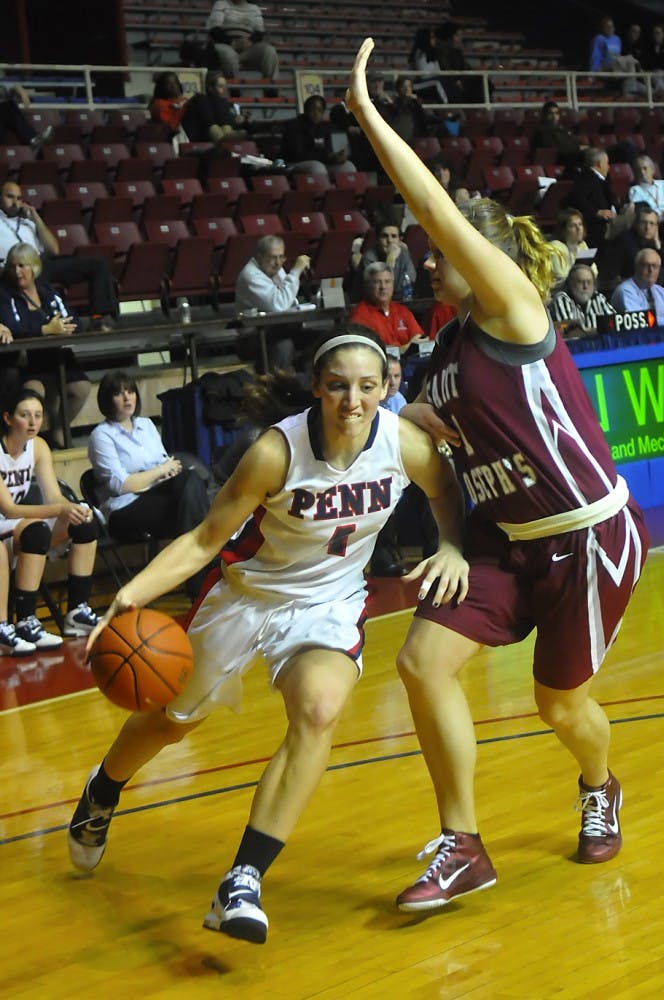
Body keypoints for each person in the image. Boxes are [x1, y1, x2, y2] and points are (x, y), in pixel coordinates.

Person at [346, 38, 649, 913]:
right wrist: (441, 521)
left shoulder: (513, 312)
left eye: (438, 253)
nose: (426, 263)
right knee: (419, 664)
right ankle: (462, 844)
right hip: (499, 544)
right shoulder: (439, 355)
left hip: (585, 536)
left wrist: (369, 116)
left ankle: (598, 784)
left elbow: (434, 214)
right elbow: (436, 452)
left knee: (560, 708)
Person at [67, 325, 468, 944]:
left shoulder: (404, 443)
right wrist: (129, 594)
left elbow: (445, 491)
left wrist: (452, 546)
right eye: (338, 387)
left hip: (328, 604)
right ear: (316, 390)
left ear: (387, 386)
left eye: (368, 386)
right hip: (246, 597)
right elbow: (205, 539)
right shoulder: (276, 453)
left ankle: (244, 878)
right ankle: (103, 789)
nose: (353, 402)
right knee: (173, 723)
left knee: (318, 709)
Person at [88, 370, 211, 595]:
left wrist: (165, 470)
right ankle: (205, 581)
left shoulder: (146, 425)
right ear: (107, 400)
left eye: (131, 391)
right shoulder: (102, 435)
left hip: (161, 495)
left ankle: (199, 583)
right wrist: (161, 471)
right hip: (124, 508)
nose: (127, 398)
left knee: (189, 484)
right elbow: (120, 484)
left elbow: (165, 463)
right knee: (194, 502)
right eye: (119, 394)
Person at [0, 388, 100, 651]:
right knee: (36, 532)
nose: (33, 422)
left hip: (12, 524)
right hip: (6, 519)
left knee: (85, 522)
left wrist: (74, 507)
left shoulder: (39, 446)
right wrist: (59, 510)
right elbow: (9, 509)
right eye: (25, 415)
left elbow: (54, 495)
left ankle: (77, 612)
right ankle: (23, 620)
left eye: (38, 415)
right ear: (8, 418)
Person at [0, 242, 91, 448]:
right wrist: (45, 330)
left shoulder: (48, 292)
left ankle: (59, 430)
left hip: (56, 357)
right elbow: (15, 327)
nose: (17, 272)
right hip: (29, 362)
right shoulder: (6, 296)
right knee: (33, 393)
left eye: (23, 266)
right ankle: (29, 444)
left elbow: (74, 320)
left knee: (82, 388)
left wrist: (66, 327)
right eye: (13, 266)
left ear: (35, 267)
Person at [0, 181, 119, 331]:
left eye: (19, 198)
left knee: (98, 265)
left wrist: (36, 218)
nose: (15, 202)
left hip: (41, 262)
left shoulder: (27, 222)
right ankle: (52, 325)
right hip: (15, 268)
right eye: (10, 197)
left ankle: (100, 318)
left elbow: (54, 250)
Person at [234, 235, 312, 369]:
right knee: (284, 346)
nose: (278, 263)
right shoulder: (250, 276)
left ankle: (305, 383)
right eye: (273, 257)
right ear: (259, 256)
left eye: (281, 257)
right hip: (252, 337)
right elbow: (279, 304)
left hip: (275, 329)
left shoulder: (275, 268)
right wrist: (295, 271)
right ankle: (275, 386)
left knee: (318, 338)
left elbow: (289, 302)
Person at [349, 262, 428, 353]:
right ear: (367, 286)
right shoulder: (359, 316)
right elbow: (368, 353)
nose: (383, 287)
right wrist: (405, 349)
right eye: (377, 282)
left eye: (387, 281)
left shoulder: (402, 311)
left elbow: (421, 339)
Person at [597, 203, 664, 288]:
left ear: (656, 228)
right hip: (619, 287)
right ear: (636, 224)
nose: (647, 227)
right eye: (644, 222)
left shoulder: (651, 242)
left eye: (651, 223)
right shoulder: (625, 240)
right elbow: (644, 272)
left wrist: (658, 245)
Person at [570, 148, 633, 248]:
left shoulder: (598, 179)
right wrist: (597, 212)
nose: (608, 167)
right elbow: (577, 199)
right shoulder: (586, 178)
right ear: (599, 164)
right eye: (607, 163)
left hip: (607, 221)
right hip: (599, 226)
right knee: (634, 213)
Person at [280, 94, 356, 176]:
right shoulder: (294, 126)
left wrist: (339, 156)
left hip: (324, 162)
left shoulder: (326, 127)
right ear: (305, 110)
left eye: (319, 110)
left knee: (348, 167)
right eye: (312, 109)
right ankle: (324, 188)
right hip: (296, 163)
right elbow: (297, 155)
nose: (316, 113)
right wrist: (328, 156)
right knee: (317, 168)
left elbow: (333, 151)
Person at [206, 0, 279, 81]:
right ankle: (233, 86)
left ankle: (271, 87)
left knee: (269, 51)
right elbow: (214, 29)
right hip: (225, 44)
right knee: (228, 55)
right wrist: (232, 43)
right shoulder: (221, 4)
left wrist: (250, 41)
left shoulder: (254, 8)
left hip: (248, 46)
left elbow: (259, 32)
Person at [611, 248, 664, 326]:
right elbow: (642, 321)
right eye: (646, 265)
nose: (651, 270)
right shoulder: (625, 291)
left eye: (655, 266)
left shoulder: (659, 290)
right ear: (637, 267)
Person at [627, 155, 664, 251]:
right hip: (656, 225)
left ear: (652, 170)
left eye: (645, 168)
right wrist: (663, 214)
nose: (642, 172)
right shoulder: (635, 190)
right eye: (638, 169)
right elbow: (642, 215)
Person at [352, 220, 416, 302]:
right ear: (377, 239)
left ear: (400, 240)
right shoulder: (369, 258)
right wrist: (390, 259)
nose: (389, 241)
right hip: (370, 304)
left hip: (399, 301)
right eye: (384, 236)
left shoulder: (404, 253)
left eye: (394, 236)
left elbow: (411, 280)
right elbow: (383, 289)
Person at [181, 71, 250, 145]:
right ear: (210, 88)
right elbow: (207, 120)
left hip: (222, 137)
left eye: (225, 86)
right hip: (203, 139)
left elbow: (227, 120)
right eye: (220, 86)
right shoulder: (200, 100)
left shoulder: (227, 104)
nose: (225, 90)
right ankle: (223, 139)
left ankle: (225, 138)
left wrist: (238, 119)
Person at [549, 263, 616, 337]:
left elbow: (615, 322)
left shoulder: (598, 298)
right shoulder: (561, 299)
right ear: (570, 284)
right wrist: (598, 330)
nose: (585, 286)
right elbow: (570, 332)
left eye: (589, 282)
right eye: (580, 282)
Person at [549, 207, 597, 285]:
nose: (578, 228)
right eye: (573, 226)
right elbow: (561, 276)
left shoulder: (582, 245)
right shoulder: (555, 247)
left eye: (580, 224)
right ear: (563, 230)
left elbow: (594, 272)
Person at [531, 101, 584, 169]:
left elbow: (572, 142)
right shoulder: (541, 130)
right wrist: (578, 148)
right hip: (556, 160)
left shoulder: (562, 129)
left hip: (568, 157)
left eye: (556, 113)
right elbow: (554, 148)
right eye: (550, 113)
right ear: (544, 115)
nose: (554, 116)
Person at [409, 27, 448, 104]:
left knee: (447, 81)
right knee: (438, 82)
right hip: (418, 84)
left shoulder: (432, 54)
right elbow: (423, 75)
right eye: (432, 37)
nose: (434, 39)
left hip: (430, 81)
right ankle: (446, 106)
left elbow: (438, 71)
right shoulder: (419, 53)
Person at [148, 72, 189, 138]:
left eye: (175, 82)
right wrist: (181, 109)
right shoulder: (159, 104)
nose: (173, 86)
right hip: (173, 137)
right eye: (169, 84)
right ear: (162, 87)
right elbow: (171, 128)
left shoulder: (185, 100)